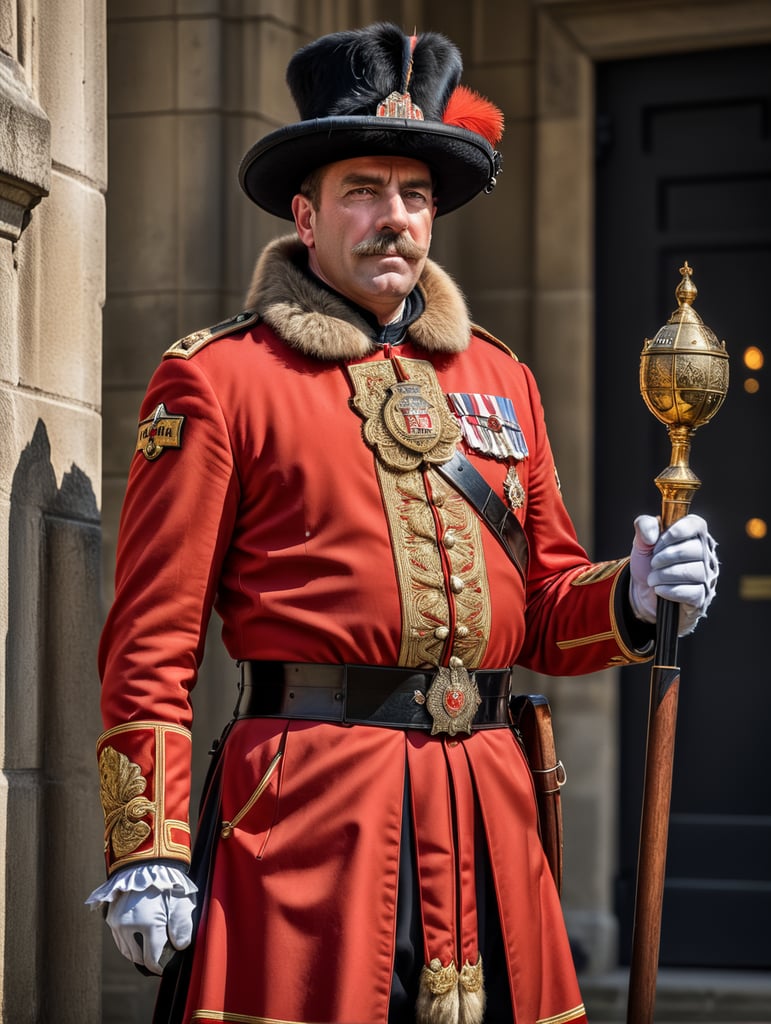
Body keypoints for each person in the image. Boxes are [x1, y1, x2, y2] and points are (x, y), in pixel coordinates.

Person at [88, 23, 719, 1024]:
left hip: (489, 809)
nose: (396, 219)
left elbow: (549, 606)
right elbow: (151, 637)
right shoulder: (219, 379)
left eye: (415, 196)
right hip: (309, 817)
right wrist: (149, 844)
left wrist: (634, 594)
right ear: (305, 213)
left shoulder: (501, 377)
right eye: (364, 192)